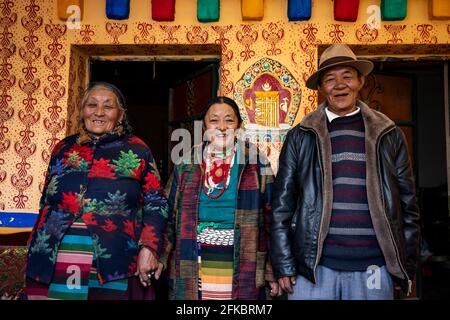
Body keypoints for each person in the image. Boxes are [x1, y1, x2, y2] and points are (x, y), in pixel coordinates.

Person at [270, 44, 420, 300]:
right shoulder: (301, 136)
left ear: (361, 81)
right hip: (314, 268)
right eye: (330, 79)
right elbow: (281, 205)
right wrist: (284, 264)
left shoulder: (388, 134)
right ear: (321, 88)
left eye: (347, 76)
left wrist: (405, 267)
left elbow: (408, 205)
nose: (339, 85)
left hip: (375, 266)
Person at [25, 82, 168, 300]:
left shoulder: (138, 149)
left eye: (108, 107)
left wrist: (149, 247)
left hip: (116, 257)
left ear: (120, 115)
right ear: (82, 111)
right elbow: (46, 199)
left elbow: (156, 203)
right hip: (52, 253)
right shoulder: (63, 148)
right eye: (92, 105)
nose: (99, 112)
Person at [157, 96, 279, 300]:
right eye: (214, 120)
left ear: (239, 126)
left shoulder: (255, 162)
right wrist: (160, 256)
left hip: (243, 260)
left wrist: (273, 267)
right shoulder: (187, 162)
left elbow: (272, 218)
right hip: (193, 259)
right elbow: (168, 214)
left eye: (229, 120)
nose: (222, 127)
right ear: (204, 126)